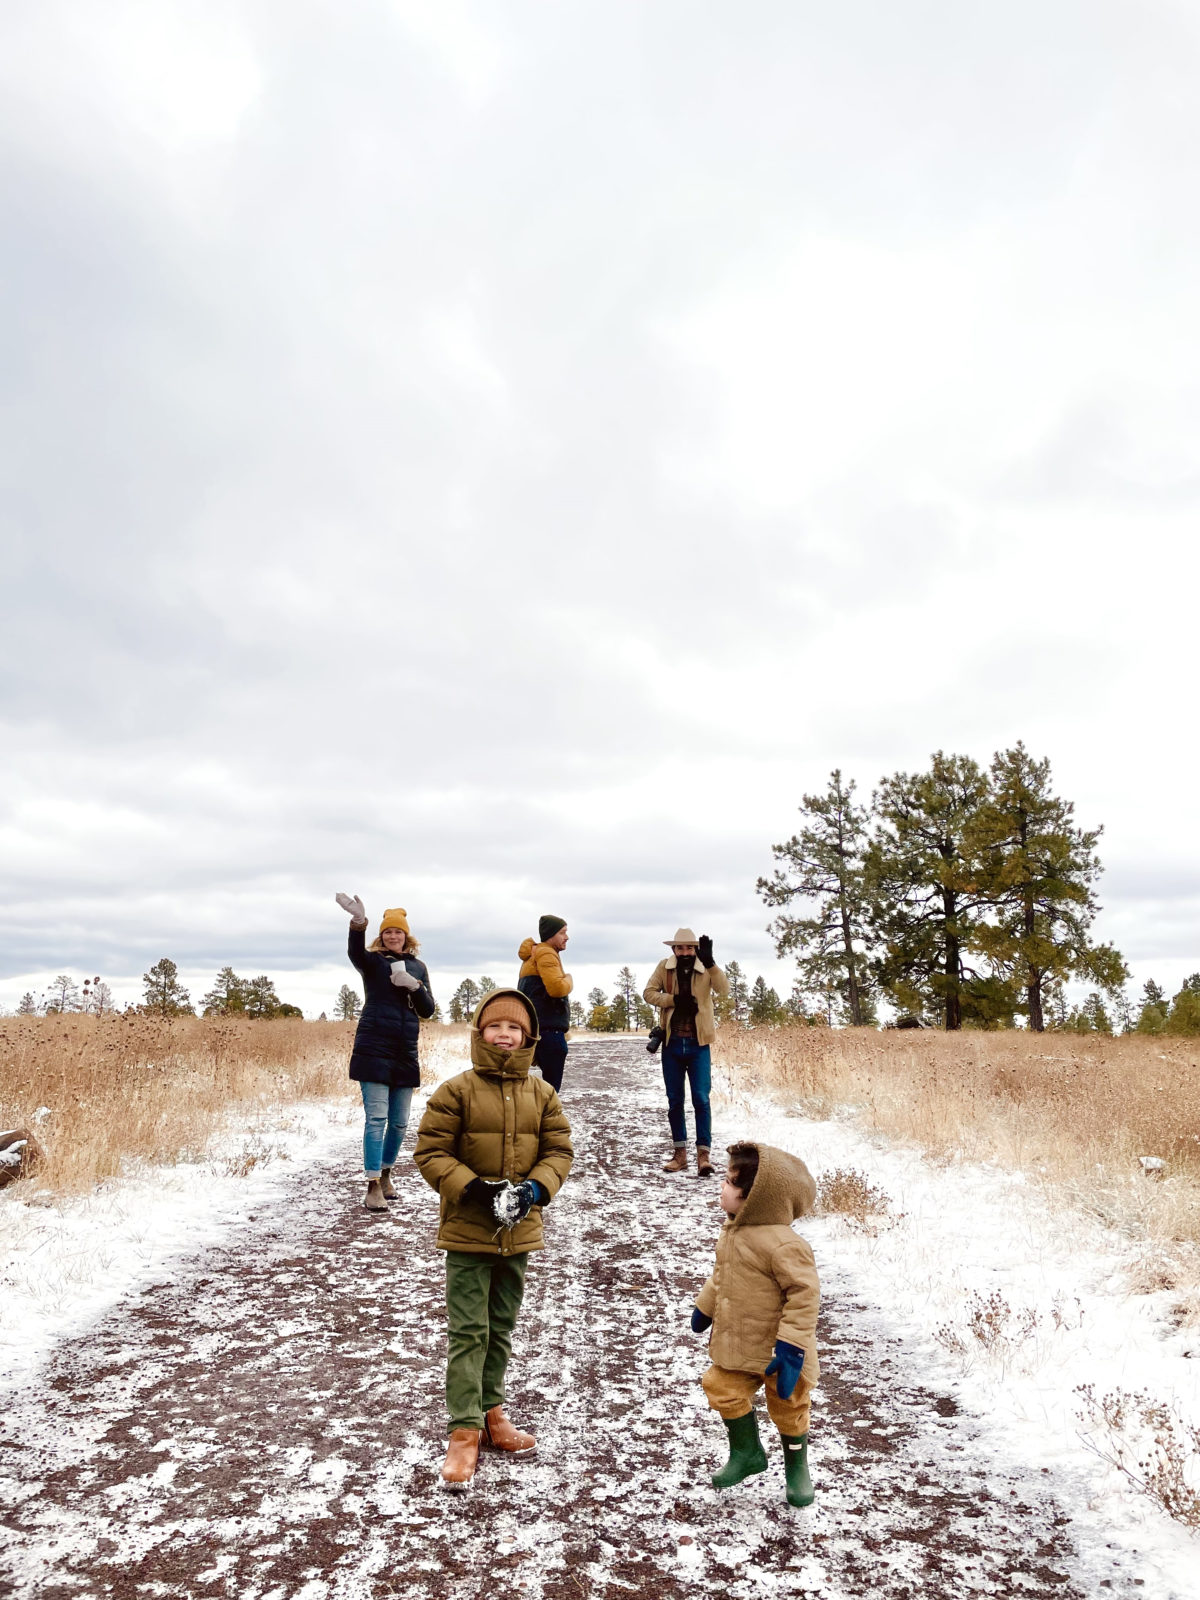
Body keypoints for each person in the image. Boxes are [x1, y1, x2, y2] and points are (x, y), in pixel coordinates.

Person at [414, 988, 574, 1491]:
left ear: (529, 1036)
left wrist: (535, 1188)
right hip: (467, 1232)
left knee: (501, 1326)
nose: (505, 1035)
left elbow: (559, 1150)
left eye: (515, 1028)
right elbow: (431, 1152)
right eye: (495, 1026)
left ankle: (492, 1414)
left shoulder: (542, 1093)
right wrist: (475, 1190)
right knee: (469, 1332)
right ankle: (463, 1431)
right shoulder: (456, 1091)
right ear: (479, 1032)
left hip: (519, 1234)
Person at [690, 1141, 819, 1508]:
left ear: (755, 1199)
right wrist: (705, 1308)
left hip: (781, 1353)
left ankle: (797, 1468)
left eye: (731, 1183)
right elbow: (722, 1278)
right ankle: (747, 1451)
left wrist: (792, 1346)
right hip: (740, 1346)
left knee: (789, 1406)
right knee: (719, 1385)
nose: (722, 1187)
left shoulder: (783, 1245)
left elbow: (804, 1295)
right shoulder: (733, 1232)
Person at [335, 893, 436, 1212]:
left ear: (407, 936)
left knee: (400, 1122)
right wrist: (358, 922)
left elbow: (429, 1010)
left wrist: (415, 987)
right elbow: (354, 951)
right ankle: (372, 1184)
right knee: (377, 1118)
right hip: (373, 1047)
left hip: (405, 1051)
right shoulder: (372, 962)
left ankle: (388, 1173)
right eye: (388, 931)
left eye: (399, 931)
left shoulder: (419, 967)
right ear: (382, 936)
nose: (394, 936)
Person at [643, 927, 729, 1175]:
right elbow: (648, 993)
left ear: (696, 949)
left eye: (690, 947)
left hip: (698, 1044)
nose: (685, 952)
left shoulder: (706, 967)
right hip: (671, 1044)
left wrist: (711, 962)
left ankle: (704, 1156)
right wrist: (672, 1000)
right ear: (673, 950)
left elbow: (724, 989)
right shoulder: (665, 967)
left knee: (701, 1100)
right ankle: (680, 1155)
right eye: (680, 948)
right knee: (675, 1101)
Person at [517, 915, 573, 1093]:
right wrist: (569, 980)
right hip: (549, 1032)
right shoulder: (546, 952)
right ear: (550, 935)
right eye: (562, 933)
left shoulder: (532, 955)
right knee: (550, 1092)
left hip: (534, 1028)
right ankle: (545, 1119)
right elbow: (557, 988)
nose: (567, 937)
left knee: (525, 1086)